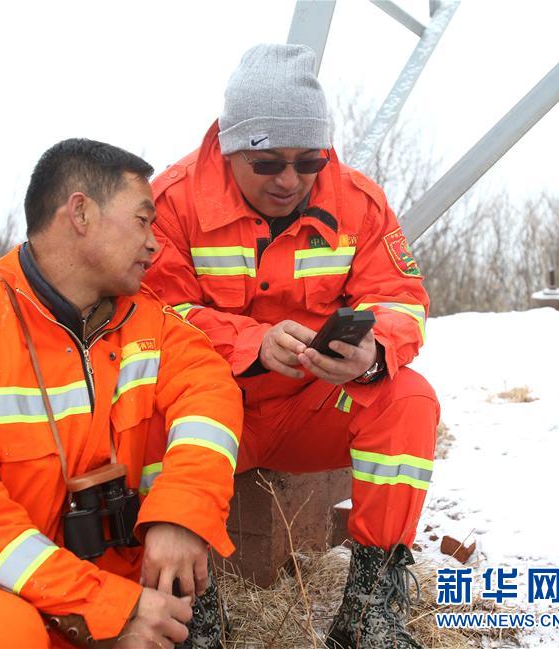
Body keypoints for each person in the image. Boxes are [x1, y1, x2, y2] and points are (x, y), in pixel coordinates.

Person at [0, 139, 243, 648]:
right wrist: (109, 611)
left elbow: (211, 394)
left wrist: (181, 514)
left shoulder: (152, 323)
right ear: (81, 212)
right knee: (4, 634)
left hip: (112, 600)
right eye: (142, 220)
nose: (155, 244)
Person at [144, 43, 440, 649]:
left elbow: (403, 301)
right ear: (229, 147)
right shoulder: (169, 202)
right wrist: (250, 343)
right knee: (139, 413)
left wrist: (373, 351)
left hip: (313, 406)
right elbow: (152, 316)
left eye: (309, 161)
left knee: (408, 398)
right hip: (210, 413)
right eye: (268, 161)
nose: (290, 180)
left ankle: (368, 608)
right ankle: (184, 612)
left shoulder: (360, 201)